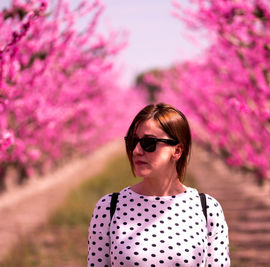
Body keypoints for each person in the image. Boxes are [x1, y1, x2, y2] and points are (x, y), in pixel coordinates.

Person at [87, 103, 230, 267]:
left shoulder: (207, 209)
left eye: (149, 143)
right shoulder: (109, 207)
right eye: (133, 142)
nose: (136, 151)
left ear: (177, 151)